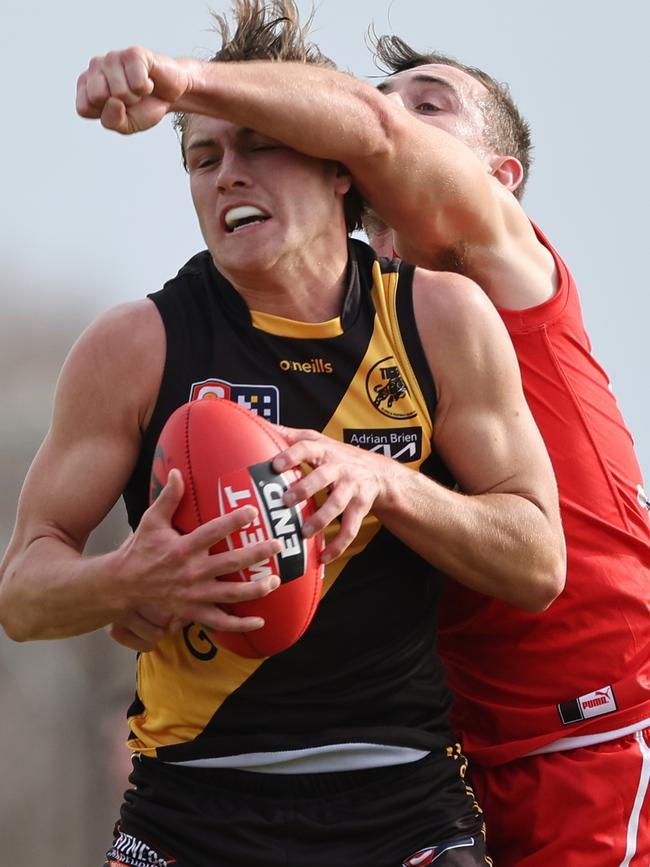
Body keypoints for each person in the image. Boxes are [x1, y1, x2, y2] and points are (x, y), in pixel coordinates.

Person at [76, 16, 650, 867]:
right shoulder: (346, 316)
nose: (382, 117)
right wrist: (147, 593)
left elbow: (371, 130)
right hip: (457, 753)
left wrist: (181, 81)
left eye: (432, 105)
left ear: (500, 176)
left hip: (592, 726)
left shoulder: (497, 257)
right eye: (375, 98)